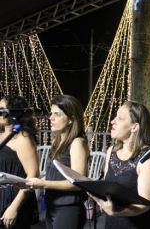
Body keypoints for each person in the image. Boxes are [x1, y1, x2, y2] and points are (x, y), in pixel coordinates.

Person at [90, 101, 150, 229]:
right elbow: (107, 188)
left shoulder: (147, 157)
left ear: (134, 127)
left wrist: (116, 211)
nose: (112, 121)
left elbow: (145, 204)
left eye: (120, 118)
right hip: (111, 224)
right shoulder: (111, 151)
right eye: (115, 116)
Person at [27, 94, 89, 229]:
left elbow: (78, 183)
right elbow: (56, 174)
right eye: (51, 113)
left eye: (57, 114)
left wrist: (43, 184)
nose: (51, 118)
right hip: (52, 205)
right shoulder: (57, 141)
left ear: (71, 119)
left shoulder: (77, 142)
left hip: (68, 207)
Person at [0, 95, 39, 229]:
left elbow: (32, 176)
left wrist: (14, 207)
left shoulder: (23, 139)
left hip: (13, 199)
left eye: (1, 110)